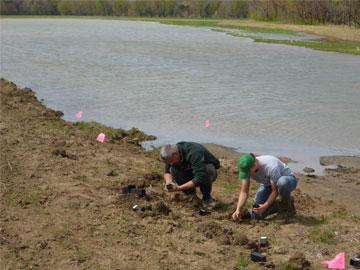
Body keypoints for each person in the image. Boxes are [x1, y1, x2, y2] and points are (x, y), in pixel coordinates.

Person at [232, 153, 297, 221]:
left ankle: (287, 208)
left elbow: (275, 191)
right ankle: (283, 203)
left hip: (288, 180)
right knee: (257, 211)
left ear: (254, 165)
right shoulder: (247, 168)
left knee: (282, 183)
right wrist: (238, 209)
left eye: (248, 172)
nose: (247, 175)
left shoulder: (271, 166)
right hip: (268, 184)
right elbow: (244, 192)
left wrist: (265, 206)